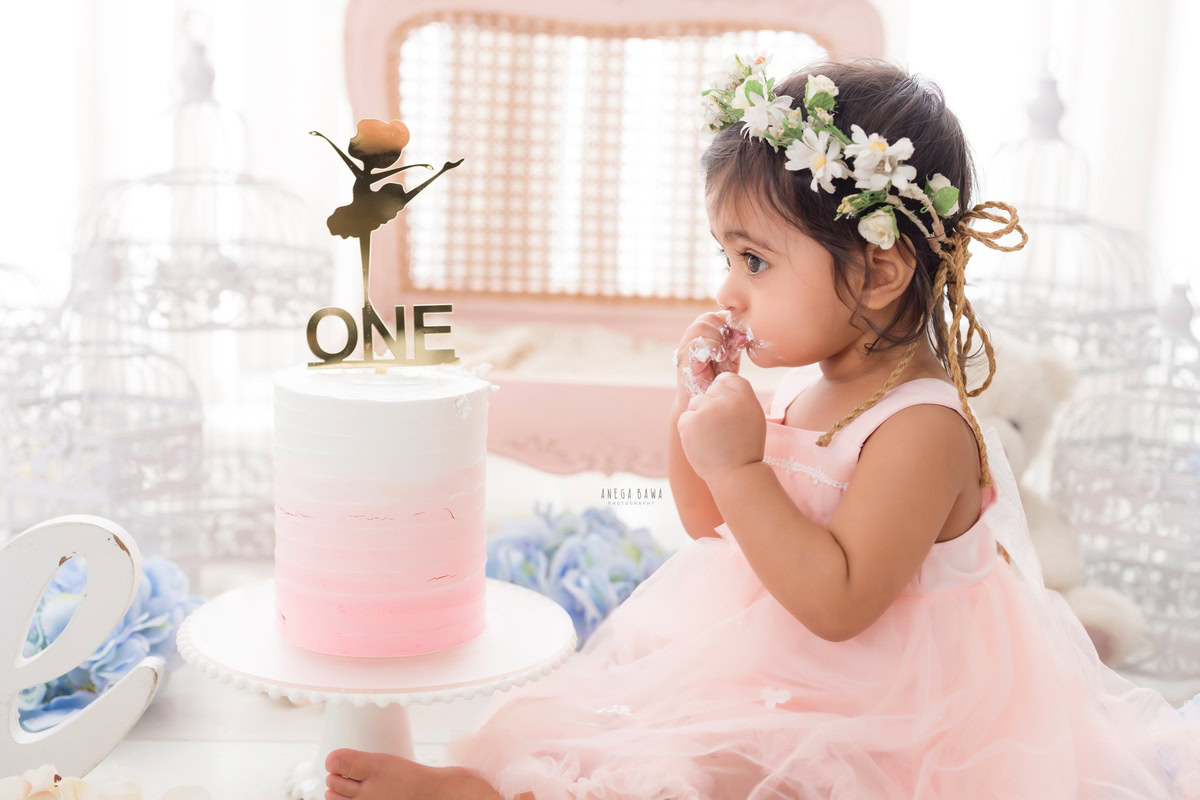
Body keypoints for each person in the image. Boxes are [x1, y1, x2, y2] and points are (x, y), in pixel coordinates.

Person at [319, 55, 1198, 800]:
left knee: (723, 771)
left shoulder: (922, 429)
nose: (727, 290)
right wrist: (694, 411)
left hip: (888, 707)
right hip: (760, 663)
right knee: (597, 716)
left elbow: (841, 604)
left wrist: (742, 469)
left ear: (882, 270)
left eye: (755, 260)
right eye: (725, 256)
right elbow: (709, 524)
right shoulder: (806, 386)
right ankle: (492, 782)